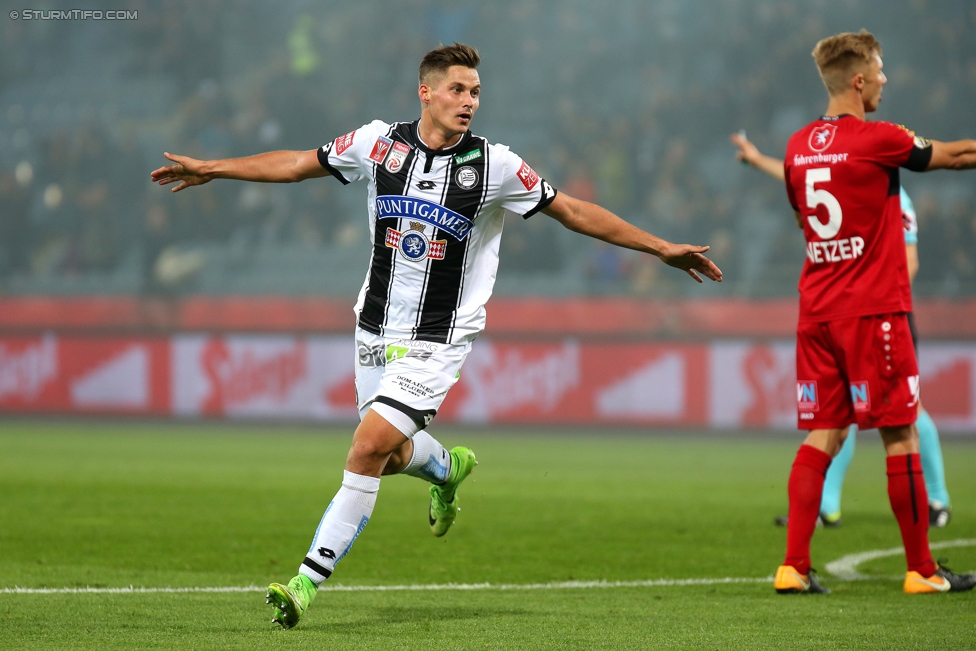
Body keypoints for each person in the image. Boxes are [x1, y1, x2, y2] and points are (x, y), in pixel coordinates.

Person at [151, 43, 723, 628]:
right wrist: (213, 168)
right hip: (374, 326)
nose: (468, 101)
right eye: (457, 90)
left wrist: (659, 248)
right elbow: (298, 163)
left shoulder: (495, 165)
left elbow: (572, 211)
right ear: (426, 91)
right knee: (393, 455)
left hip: (439, 338)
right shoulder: (379, 144)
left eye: (475, 92)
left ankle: (304, 583)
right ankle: (447, 469)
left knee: (366, 448)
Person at [761, 30, 976, 595]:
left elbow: (804, 220)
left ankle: (792, 566)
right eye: (879, 71)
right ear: (858, 80)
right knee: (901, 432)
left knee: (823, 434)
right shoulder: (877, 138)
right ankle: (923, 571)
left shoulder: (797, 146)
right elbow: (954, 156)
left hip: (817, 310)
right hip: (873, 311)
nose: (885, 79)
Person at [730, 143, 953, 529]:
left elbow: (909, 259)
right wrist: (756, 159)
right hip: (847, 316)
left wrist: (883, 303)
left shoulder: (894, 194)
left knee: (907, 413)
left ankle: (937, 498)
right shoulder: (847, 181)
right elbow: (797, 173)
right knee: (837, 415)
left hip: (883, 318)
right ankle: (826, 505)